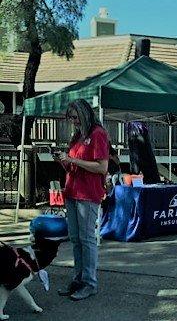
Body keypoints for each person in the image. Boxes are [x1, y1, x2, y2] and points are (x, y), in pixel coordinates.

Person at [54, 99, 109, 301]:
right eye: (71, 119)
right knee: (76, 240)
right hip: (72, 191)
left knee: (86, 240)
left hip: (88, 194)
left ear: (85, 114)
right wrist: (64, 162)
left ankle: (90, 283)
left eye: (75, 118)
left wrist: (72, 160)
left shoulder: (97, 134)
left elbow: (102, 167)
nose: (73, 122)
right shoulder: (77, 136)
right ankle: (78, 279)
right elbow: (73, 167)